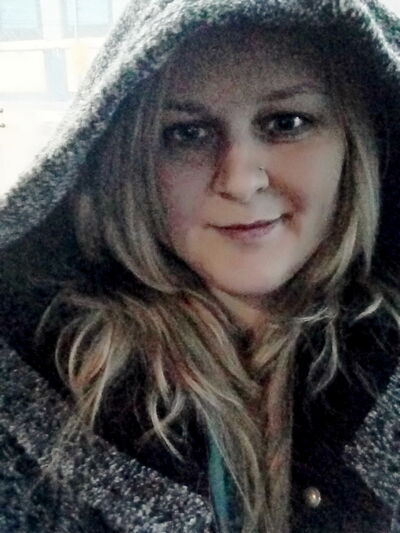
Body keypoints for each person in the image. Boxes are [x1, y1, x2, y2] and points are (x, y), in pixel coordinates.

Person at [0, 0, 399, 531]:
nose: (240, 181)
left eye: (286, 123)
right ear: (129, 164)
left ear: (357, 143)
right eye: (186, 133)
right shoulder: (37, 379)